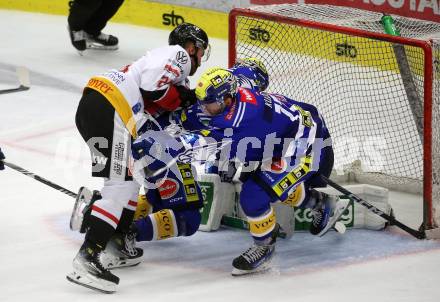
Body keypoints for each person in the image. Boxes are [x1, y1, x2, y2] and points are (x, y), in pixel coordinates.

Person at [132, 67, 347, 276]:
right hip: (284, 134)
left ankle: (265, 248)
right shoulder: (229, 91)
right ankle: (321, 203)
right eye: (203, 102)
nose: (204, 108)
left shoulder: (245, 121)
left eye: (209, 104)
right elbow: (243, 75)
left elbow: (205, 145)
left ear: (227, 99)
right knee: (255, 178)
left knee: (253, 195)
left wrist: (170, 145)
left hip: (303, 147)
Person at [67, 22, 210, 294]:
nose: (200, 58)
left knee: (130, 183)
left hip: (97, 107)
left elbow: (157, 106)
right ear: (191, 47)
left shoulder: (165, 67)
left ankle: (116, 243)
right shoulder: (177, 54)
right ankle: (88, 257)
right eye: (200, 51)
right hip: (112, 107)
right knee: (120, 187)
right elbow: (153, 87)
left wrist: (184, 106)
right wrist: (185, 98)